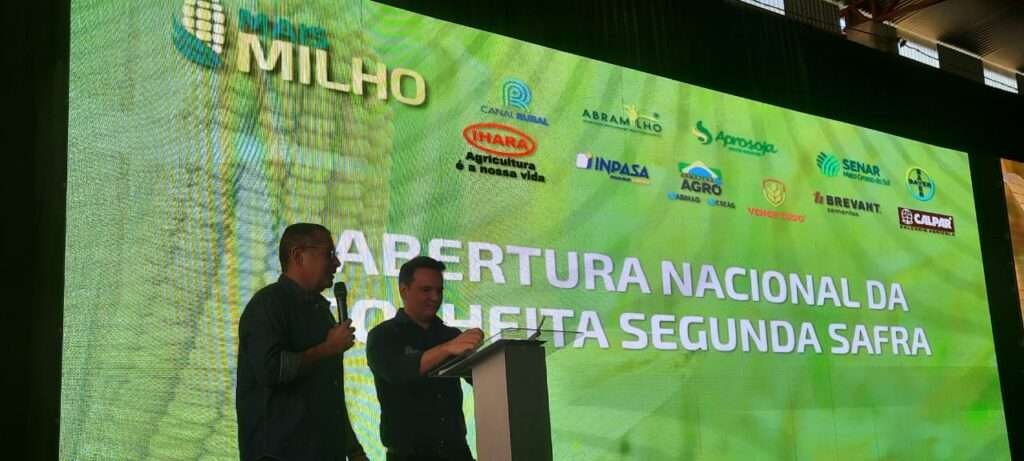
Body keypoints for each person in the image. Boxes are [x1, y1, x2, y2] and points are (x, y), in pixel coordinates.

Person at [236, 223, 367, 461]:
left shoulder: (320, 311)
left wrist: (353, 449)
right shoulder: (267, 305)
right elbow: (271, 370)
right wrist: (327, 349)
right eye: (329, 254)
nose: (337, 263)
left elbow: (329, 393)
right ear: (298, 256)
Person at [367, 256, 485, 461]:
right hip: (408, 455)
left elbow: (481, 380)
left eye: (439, 290)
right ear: (404, 291)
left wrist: (488, 358)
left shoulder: (451, 335)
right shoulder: (383, 335)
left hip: (456, 452)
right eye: (426, 290)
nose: (435, 297)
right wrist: (447, 349)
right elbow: (397, 372)